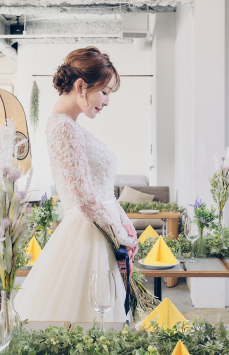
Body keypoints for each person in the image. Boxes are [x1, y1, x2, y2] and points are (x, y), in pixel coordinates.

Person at [14, 47, 139, 323]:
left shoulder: (70, 126)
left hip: (99, 231)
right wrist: (120, 234)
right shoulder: (63, 128)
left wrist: (124, 221)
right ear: (81, 86)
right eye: (104, 92)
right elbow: (84, 198)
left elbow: (102, 193)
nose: (107, 101)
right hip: (88, 235)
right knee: (90, 320)